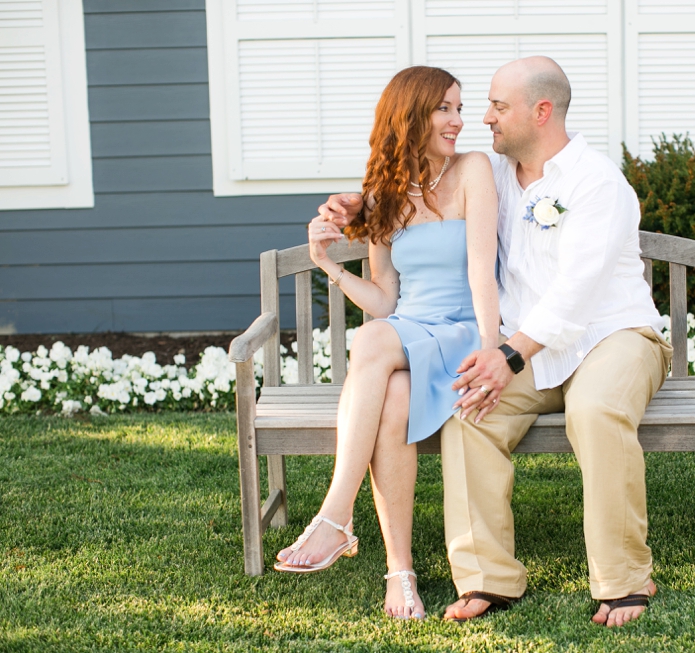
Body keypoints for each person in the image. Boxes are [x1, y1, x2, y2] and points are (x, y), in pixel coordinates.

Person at [322, 56, 671, 628]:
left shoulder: (596, 182)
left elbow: (577, 294)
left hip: (614, 335)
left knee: (596, 408)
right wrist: (362, 206)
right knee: (467, 410)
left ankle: (624, 579)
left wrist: (506, 355)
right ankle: (488, 578)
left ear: (541, 111)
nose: (483, 118)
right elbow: (433, 196)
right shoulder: (499, 178)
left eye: (497, 107)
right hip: (530, 348)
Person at [274, 66, 500, 622]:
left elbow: (481, 274)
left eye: (458, 107)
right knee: (392, 394)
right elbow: (385, 299)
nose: (458, 120)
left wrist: (493, 351)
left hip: (462, 334)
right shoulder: (383, 195)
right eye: (443, 108)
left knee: (375, 342)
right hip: (406, 334)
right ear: (410, 114)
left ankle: (335, 515)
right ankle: (399, 574)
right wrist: (328, 264)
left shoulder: (474, 169)